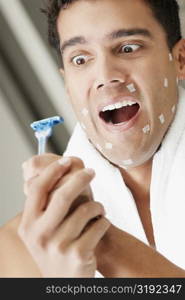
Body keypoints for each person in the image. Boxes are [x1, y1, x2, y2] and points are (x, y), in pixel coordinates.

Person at [0, 0, 185, 278]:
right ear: (67, 84)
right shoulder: (17, 249)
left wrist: (106, 246)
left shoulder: (105, 247)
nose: (106, 76)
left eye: (128, 48)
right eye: (80, 59)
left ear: (180, 60)